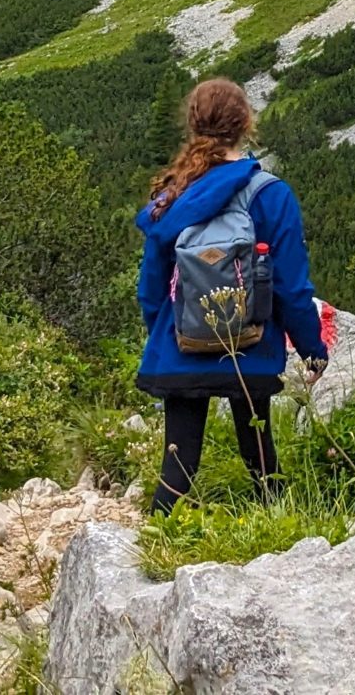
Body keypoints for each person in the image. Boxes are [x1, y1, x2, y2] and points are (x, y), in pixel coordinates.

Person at [136, 76, 327, 514]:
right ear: (246, 124)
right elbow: (291, 287)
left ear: (193, 126)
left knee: (178, 465)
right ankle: (282, 535)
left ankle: (153, 543)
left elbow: (150, 289)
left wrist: (166, 334)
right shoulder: (270, 194)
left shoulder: (172, 197)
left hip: (180, 350)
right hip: (251, 350)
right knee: (261, 459)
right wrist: (312, 351)